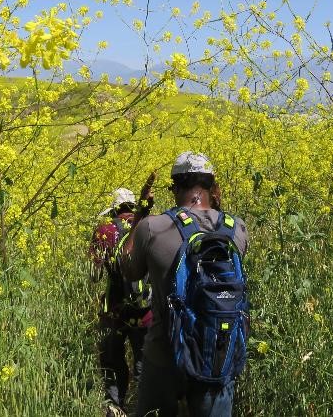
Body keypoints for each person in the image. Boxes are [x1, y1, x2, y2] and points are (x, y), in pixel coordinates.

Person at [120, 152, 248, 417]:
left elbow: (128, 270)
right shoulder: (237, 229)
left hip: (163, 356)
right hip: (216, 355)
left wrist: (140, 214)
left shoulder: (153, 227)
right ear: (212, 187)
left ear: (175, 187)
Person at [89, 188, 152, 416]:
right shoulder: (147, 226)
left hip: (113, 310)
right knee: (145, 365)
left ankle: (116, 408)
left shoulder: (104, 229)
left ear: (114, 209)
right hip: (144, 311)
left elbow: (94, 276)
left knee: (112, 363)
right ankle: (146, 409)